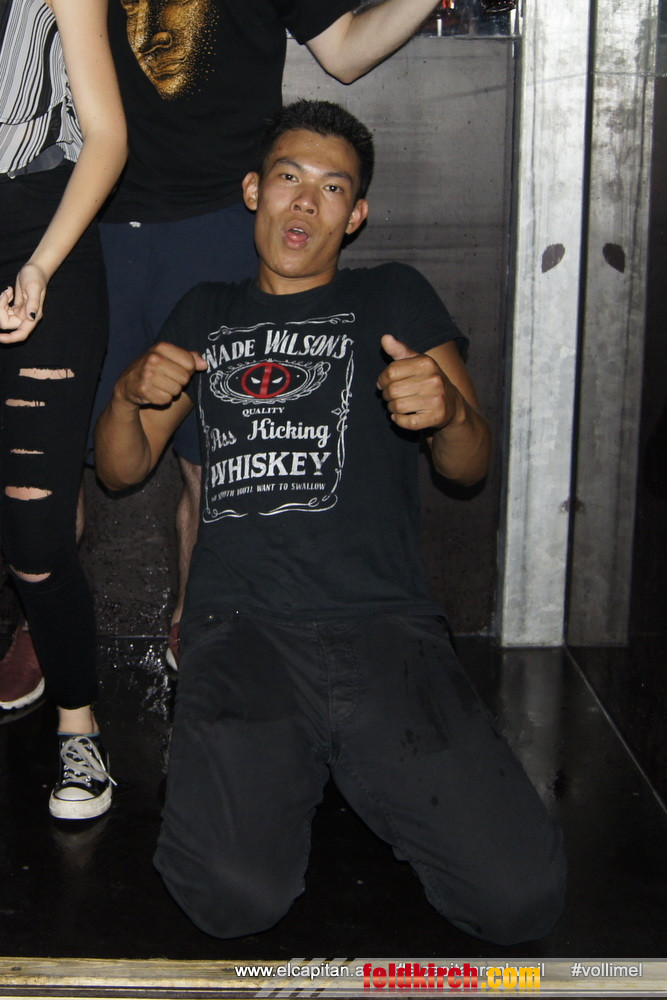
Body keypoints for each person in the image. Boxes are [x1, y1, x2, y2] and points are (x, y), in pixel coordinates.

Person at [95, 100, 566, 942]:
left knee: (519, 899)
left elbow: (469, 466)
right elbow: (122, 470)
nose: (305, 203)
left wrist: (448, 413)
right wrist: (129, 397)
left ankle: (348, 762)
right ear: (253, 192)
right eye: (288, 178)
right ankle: (277, 766)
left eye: (332, 187)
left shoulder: (392, 296)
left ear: (356, 215)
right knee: (230, 898)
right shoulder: (206, 310)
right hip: (241, 630)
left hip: (384, 626)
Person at [86, 0, 450, 672]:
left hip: (215, 214)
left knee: (214, 454)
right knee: (55, 451)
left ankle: (203, 617)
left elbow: (344, 52)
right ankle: (44, 615)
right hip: (83, 207)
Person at [0, 0, 127, 819]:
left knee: (38, 530)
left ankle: (78, 725)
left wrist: (41, 266)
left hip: (42, 239)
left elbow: (107, 138)